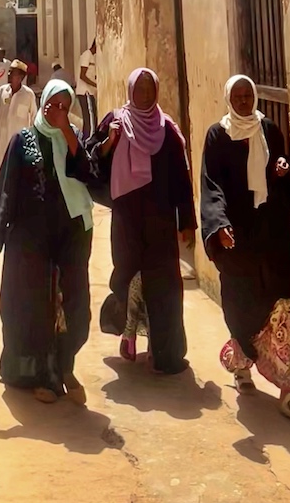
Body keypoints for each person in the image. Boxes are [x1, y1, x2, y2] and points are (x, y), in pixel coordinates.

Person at [0, 78, 100, 405]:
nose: (55, 110)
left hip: (71, 236)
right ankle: (40, 376)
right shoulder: (23, 140)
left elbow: (88, 174)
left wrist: (68, 132)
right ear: (42, 101)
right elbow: (7, 190)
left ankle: (65, 367)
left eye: (63, 105)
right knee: (33, 307)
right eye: (51, 103)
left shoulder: (73, 138)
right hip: (31, 240)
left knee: (73, 306)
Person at [200, 74, 290, 419]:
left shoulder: (269, 130)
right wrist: (219, 226)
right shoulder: (218, 135)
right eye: (238, 96)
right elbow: (211, 184)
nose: (245, 101)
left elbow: (283, 174)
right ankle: (239, 359)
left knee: (281, 305)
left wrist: (279, 172)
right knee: (242, 304)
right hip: (239, 237)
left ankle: (286, 387)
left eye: (249, 95)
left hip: (272, 235)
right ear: (229, 98)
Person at [93, 68, 196, 374]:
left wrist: (186, 220)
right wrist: (110, 143)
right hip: (127, 220)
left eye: (151, 89)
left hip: (161, 222)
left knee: (165, 285)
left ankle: (165, 350)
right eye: (141, 89)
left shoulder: (167, 130)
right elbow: (91, 161)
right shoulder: (115, 122)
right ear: (131, 91)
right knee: (128, 278)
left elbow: (181, 178)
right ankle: (127, 333)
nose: (147, 95)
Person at [0, 59, 36, 168]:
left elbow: (33, 117)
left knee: (17, 169)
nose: (8, 74)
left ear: (21, 77)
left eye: (12, 72)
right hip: (3, 139)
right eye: (9, 71)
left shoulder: (28, 95)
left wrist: (33, 141)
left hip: (18, 141)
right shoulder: (2, 91)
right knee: (0, 167)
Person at [76, 39, 98, 139]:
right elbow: (82, 75)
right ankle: (89, 140)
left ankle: (86, 140)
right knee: (90, 120)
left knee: (91, 119)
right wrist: (95, 85)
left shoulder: (93, 57)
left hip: (89, 92)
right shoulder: (87, 55)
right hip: (85, 92)